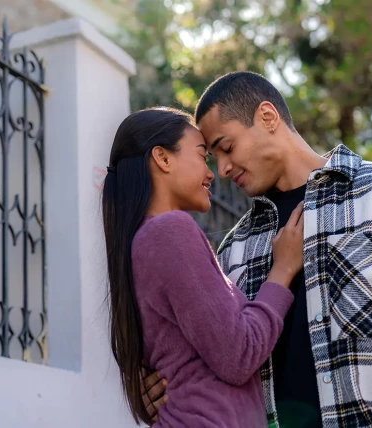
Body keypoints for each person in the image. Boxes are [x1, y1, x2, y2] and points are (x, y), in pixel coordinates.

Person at [143, 72, 372, 427]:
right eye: (212, 156)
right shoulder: (233, 251)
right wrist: (157, 387)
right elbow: (215, 364)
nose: (221, 169)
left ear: (267, 118)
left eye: (227, 147)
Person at [101, 107, 306, 427]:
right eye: (202, 156)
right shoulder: (168, 231)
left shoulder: (143, 241)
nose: (213, 173)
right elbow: (238, 355)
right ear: (163, 159)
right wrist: (283, 269)